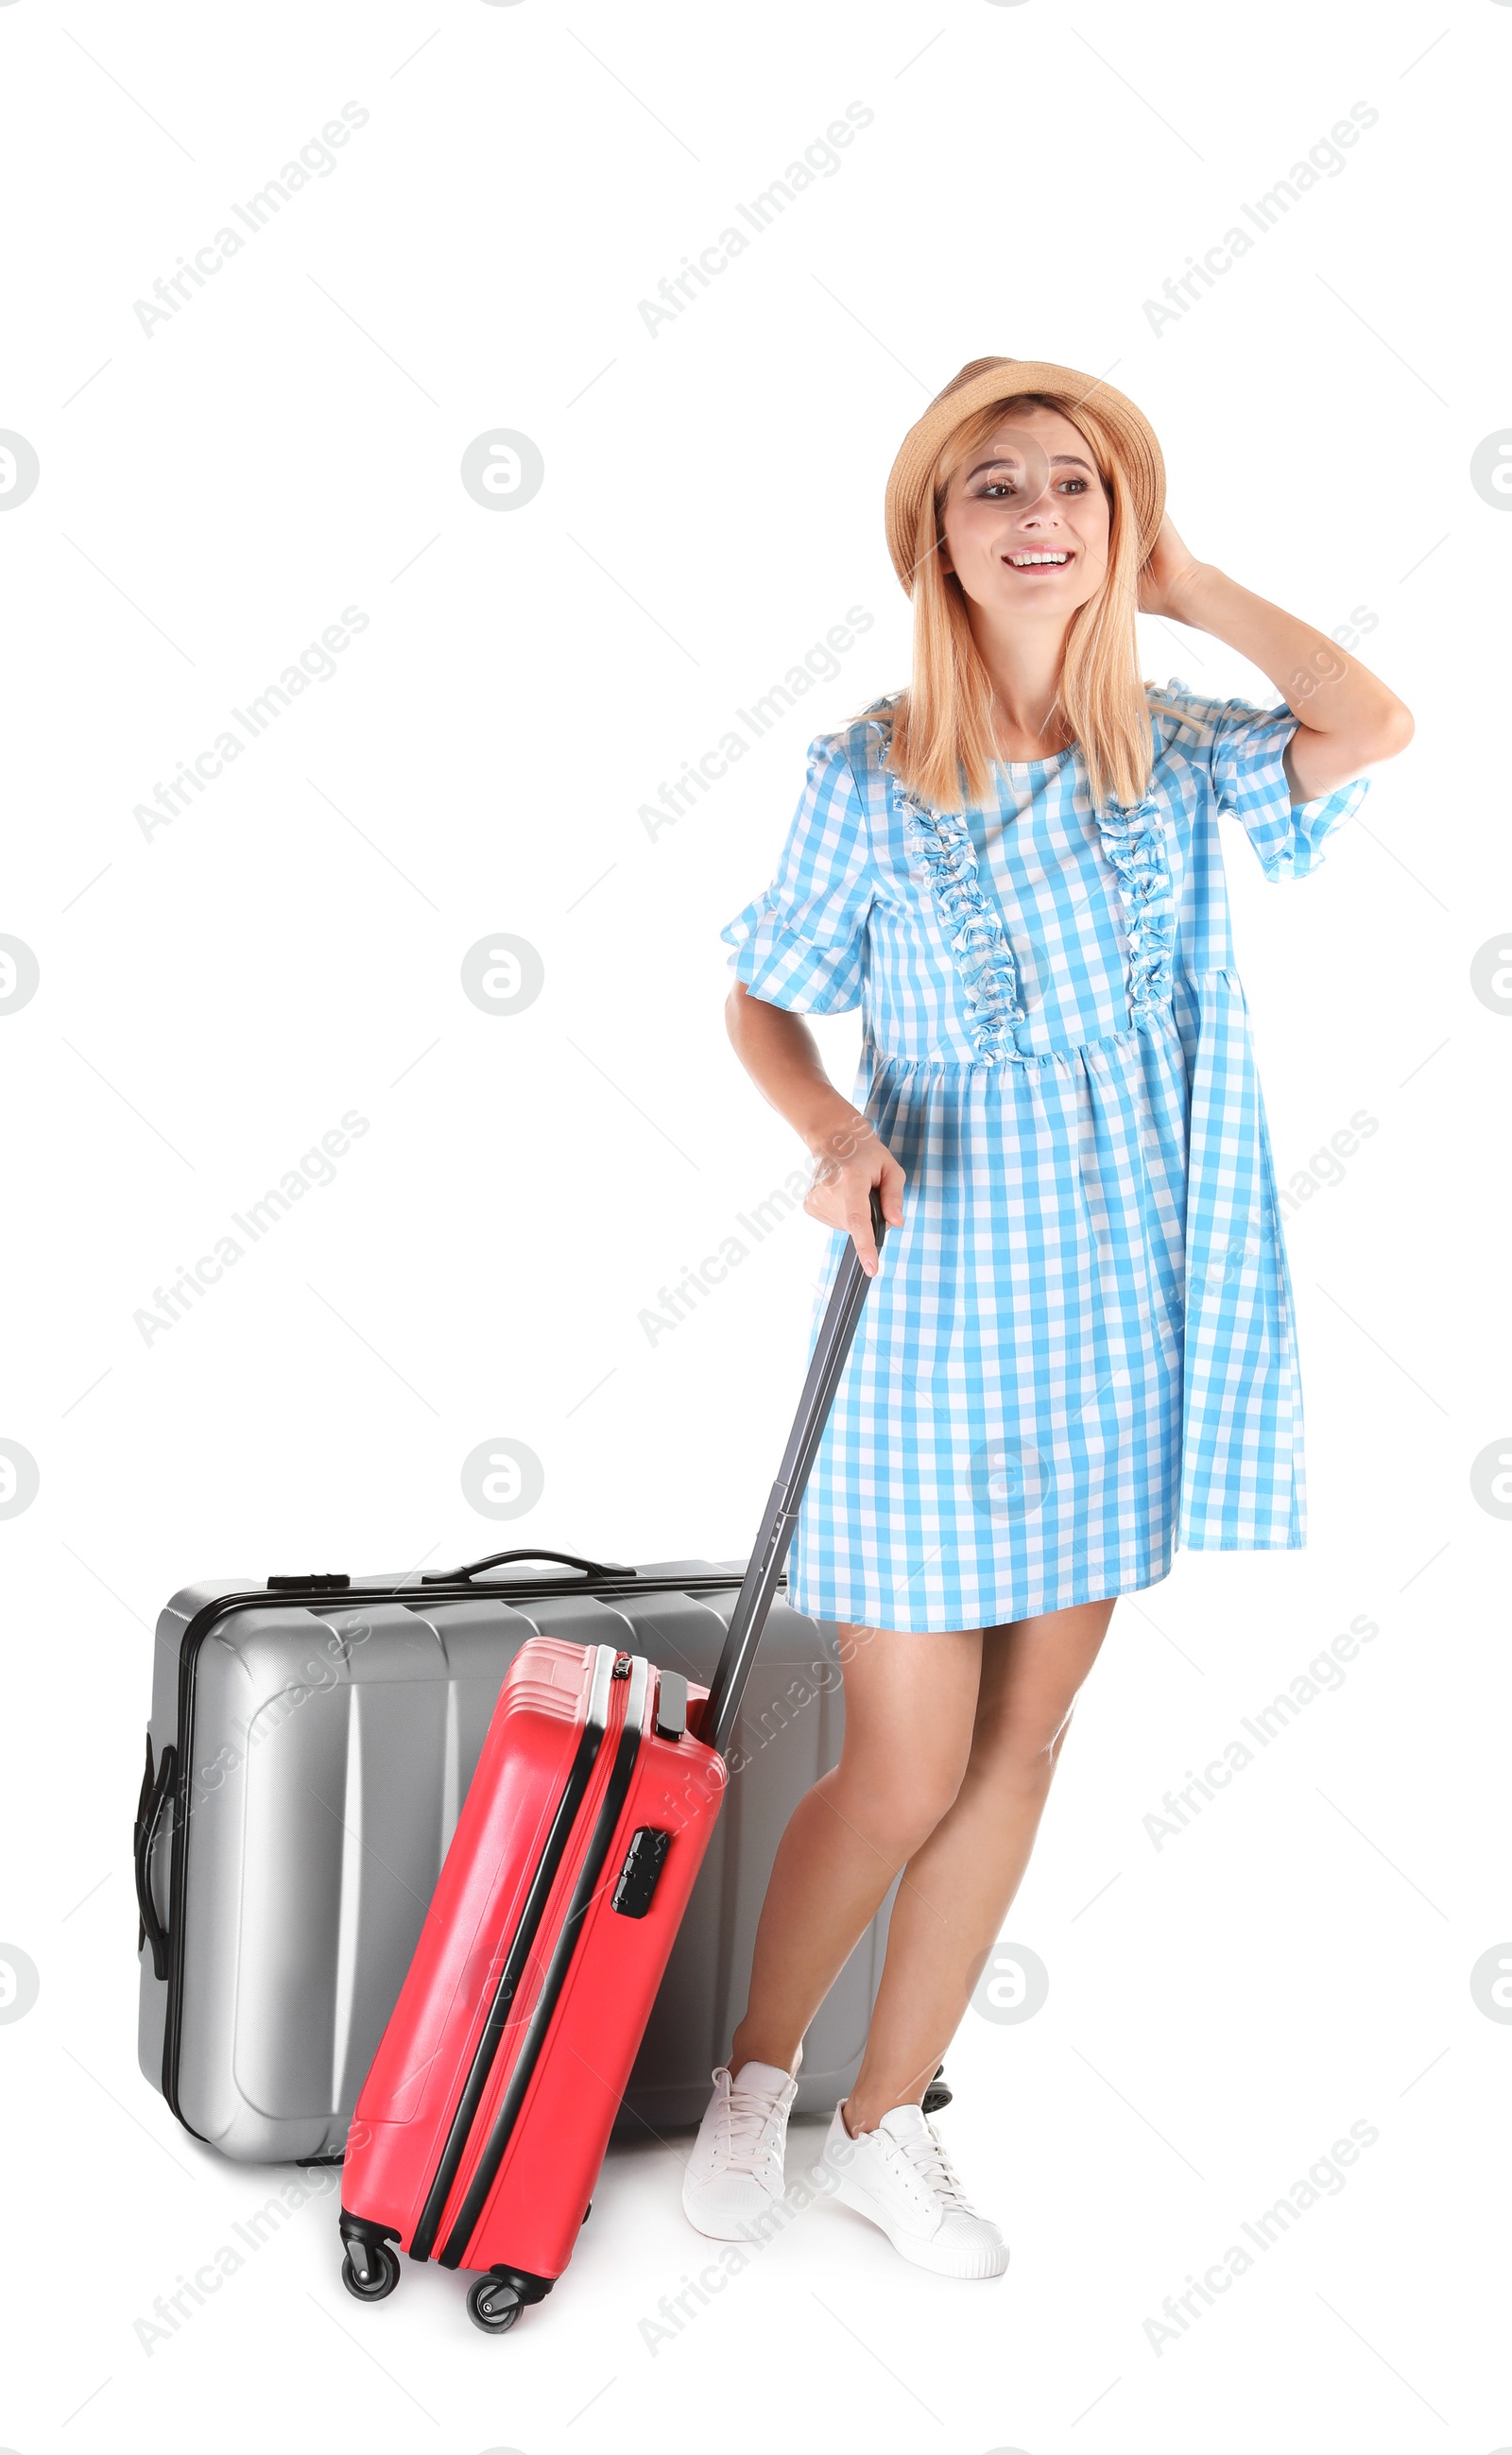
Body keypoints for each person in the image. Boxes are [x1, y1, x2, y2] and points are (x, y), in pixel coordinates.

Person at [681, 356, 1413, 2278]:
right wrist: (829, 1127)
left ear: (1116, 521)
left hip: (1120, 1303)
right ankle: (754, 2079)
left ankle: (880, 2122)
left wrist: (1190, 583)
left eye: (1074, 486)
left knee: (1024, 1744)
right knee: (904, 1758)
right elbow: (757, 996)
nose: (1034, 514)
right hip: (934, 1304)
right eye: (990, 482)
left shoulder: (1160, 751)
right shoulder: (866, 772)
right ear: (932, 523)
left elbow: (1371, 719)